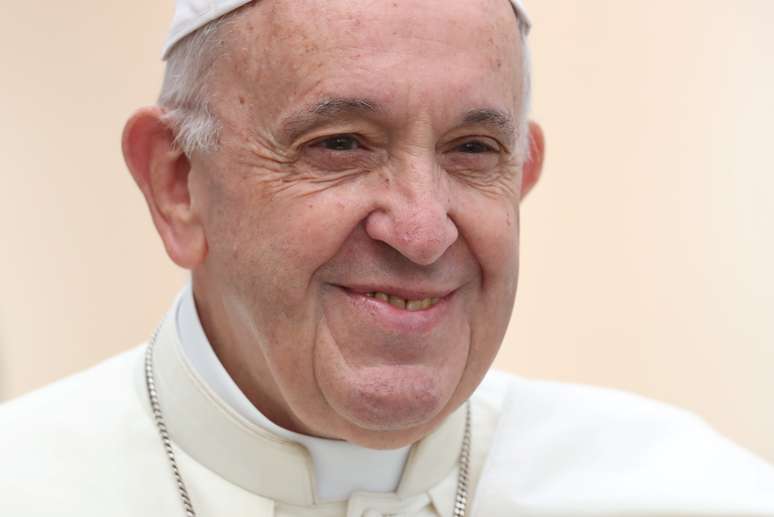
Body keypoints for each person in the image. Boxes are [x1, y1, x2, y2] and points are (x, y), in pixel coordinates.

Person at [1, 0, 773, 515]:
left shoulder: (694, 491)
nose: (421, 228)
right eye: (340, 144)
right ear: (177, 183)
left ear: (522, 177)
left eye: (473, 150)